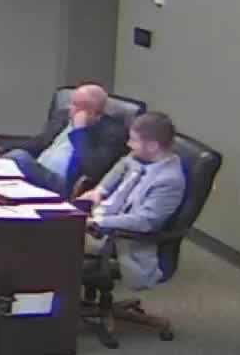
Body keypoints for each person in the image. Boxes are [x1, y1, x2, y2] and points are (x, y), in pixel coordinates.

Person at [78, 112, 187, 290]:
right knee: (45, 231)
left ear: (152, 146)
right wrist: (100, 190)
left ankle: (57, 301)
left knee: (53, 241)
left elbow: (144, 221)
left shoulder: (169, 180)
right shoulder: (141, 157)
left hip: (123, 240)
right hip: (101, 220)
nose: (129, 144)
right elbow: (122, 165)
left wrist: (96, 222)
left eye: (133, 140)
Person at [0, 83, 129, 197]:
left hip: (63, 186)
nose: (70, 108)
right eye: (71, 102)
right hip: (39, 170)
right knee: (7, 167)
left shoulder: (112, 133)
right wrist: (4, 148)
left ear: (93, 112)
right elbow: (39, 142)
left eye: (76, 105)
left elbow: (93, 169)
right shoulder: (63, 117)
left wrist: (79, 132)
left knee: (19, 157)